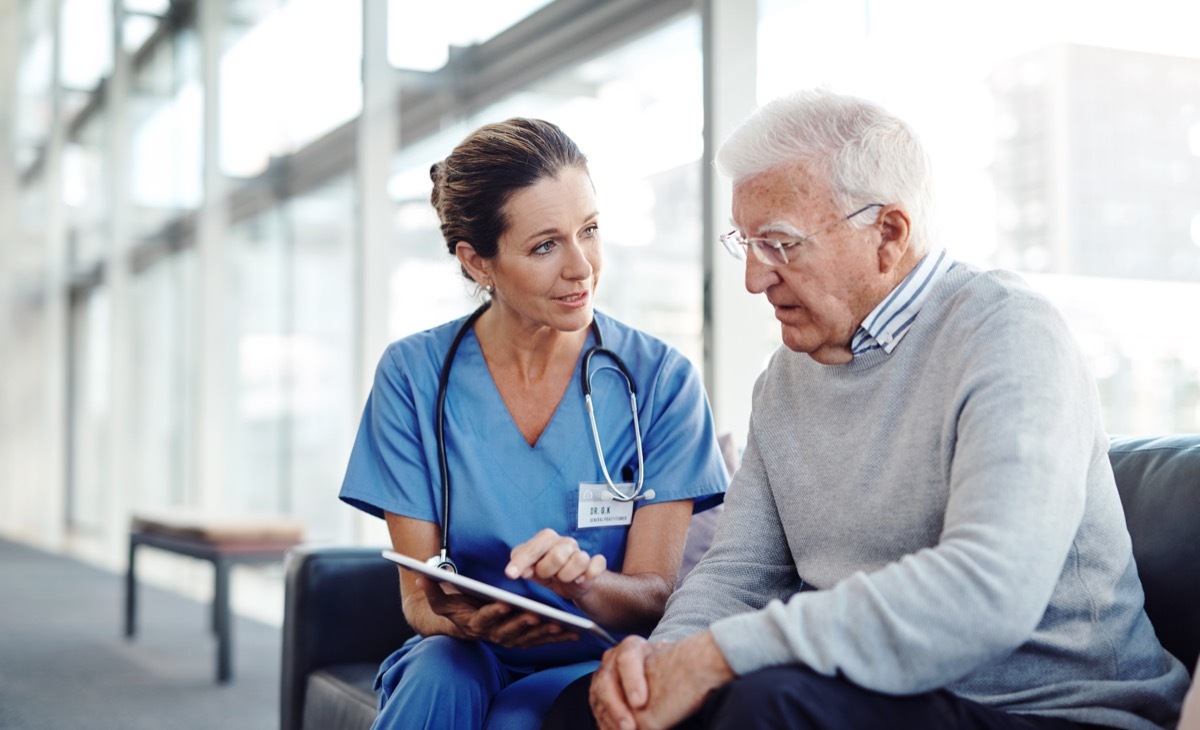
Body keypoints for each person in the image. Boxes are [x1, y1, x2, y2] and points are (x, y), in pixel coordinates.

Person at [544, 89, 1191, 730]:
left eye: (779, 243)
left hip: (1055, 711)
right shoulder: (785, 380)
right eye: (744, 242)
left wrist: (720, 656)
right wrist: (660, 667)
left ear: (888, 233)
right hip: (877, 697)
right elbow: (740, 572)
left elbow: (988, 592)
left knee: (766, 708)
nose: (753, 278)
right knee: (589, 712)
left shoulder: (1008, 333)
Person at [337, 117, 728, 730]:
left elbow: (655, 595)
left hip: (597, 655)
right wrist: (462, 618)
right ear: (477, 262)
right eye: (545, 245)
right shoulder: (413, 375)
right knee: (439, 673)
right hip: (466, 649)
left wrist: (584, 587)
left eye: (590, 231)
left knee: (521, 718)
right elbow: (418, 601)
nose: (582, 268)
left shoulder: (660, 381)